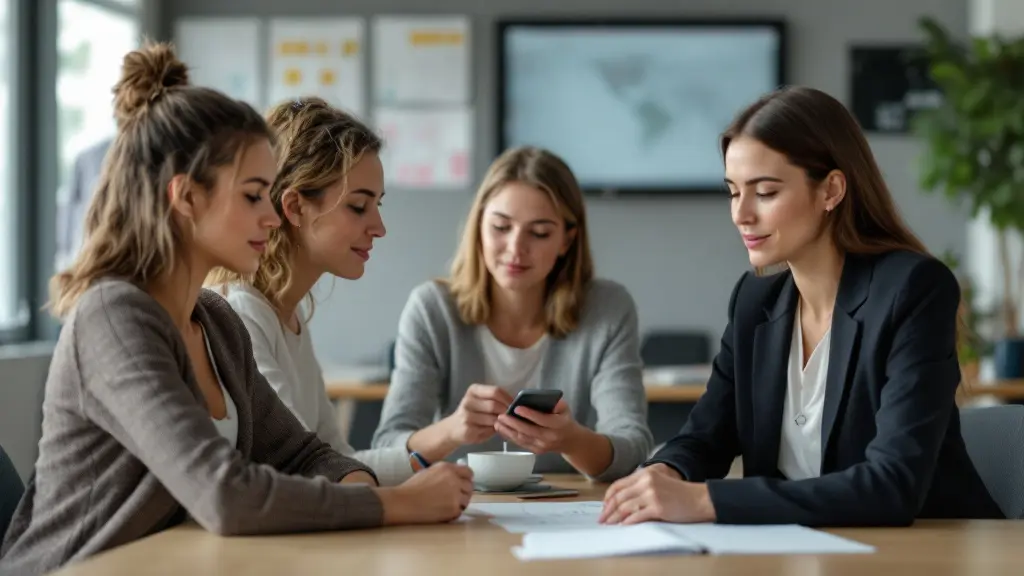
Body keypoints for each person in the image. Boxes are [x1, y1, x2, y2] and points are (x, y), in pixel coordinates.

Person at [0, 43, 472, 576]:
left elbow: (307, 457)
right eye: (254, 196)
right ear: (187, 198)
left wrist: (357, 489)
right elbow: (225, 493)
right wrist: (395, 504)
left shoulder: (217, 323)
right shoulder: (114, 319)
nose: (274, 217)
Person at [599, 86, 1004, 528]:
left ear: (830, 189)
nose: (741, 214)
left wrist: (704, 501)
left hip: (924, 553)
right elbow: (704, 437)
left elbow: (893, 485)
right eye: (734, 192)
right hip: (795, 551)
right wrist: (664, 472)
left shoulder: (912, 290)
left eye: (766, 192)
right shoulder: (756, 302)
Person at [372, 146, 653, 482]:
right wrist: (451, 430)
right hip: (458, 505)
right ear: (478, 226)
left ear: (567, 240)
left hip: (568, 508)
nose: (516, 249)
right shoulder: (432, 309)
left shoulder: (608, 308)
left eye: (539, 233)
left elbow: (633, 447)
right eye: (501, 227)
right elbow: (387, 446)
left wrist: (571, 440)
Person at [206, 97, 415, 486]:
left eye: (377, 205)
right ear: (296, 207)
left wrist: (427, 465)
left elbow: (336, 459)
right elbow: (301, 466)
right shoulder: (241, 312)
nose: (379, 227)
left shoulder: (288, 314)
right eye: (358, 207)